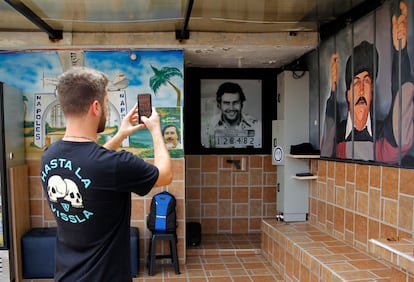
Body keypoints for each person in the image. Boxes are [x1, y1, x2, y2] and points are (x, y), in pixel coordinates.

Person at [40, 66, 172, 281]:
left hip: (66, 276)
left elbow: (89, 163)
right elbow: (164, 175)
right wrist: (156, 130)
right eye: (105, 103)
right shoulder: (116, 164)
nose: (106, 109)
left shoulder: (48, 157)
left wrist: (120, 135)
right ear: (95, 107)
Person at [321, 1, 414, 163]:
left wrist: (400, 53)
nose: (362, 89)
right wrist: (333, 93)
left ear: (372, 93)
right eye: (356, 82)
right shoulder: (338, 135)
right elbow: (325, 154)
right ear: (348, 95)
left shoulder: (383, 135)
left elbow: (402, 135)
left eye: (366, 81)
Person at [203, 81, 261, 148]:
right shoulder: (209, 126)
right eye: (226, 103)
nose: (231, 108)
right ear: (219, 105)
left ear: (242, 104)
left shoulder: (257, 126)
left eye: (235, 102)